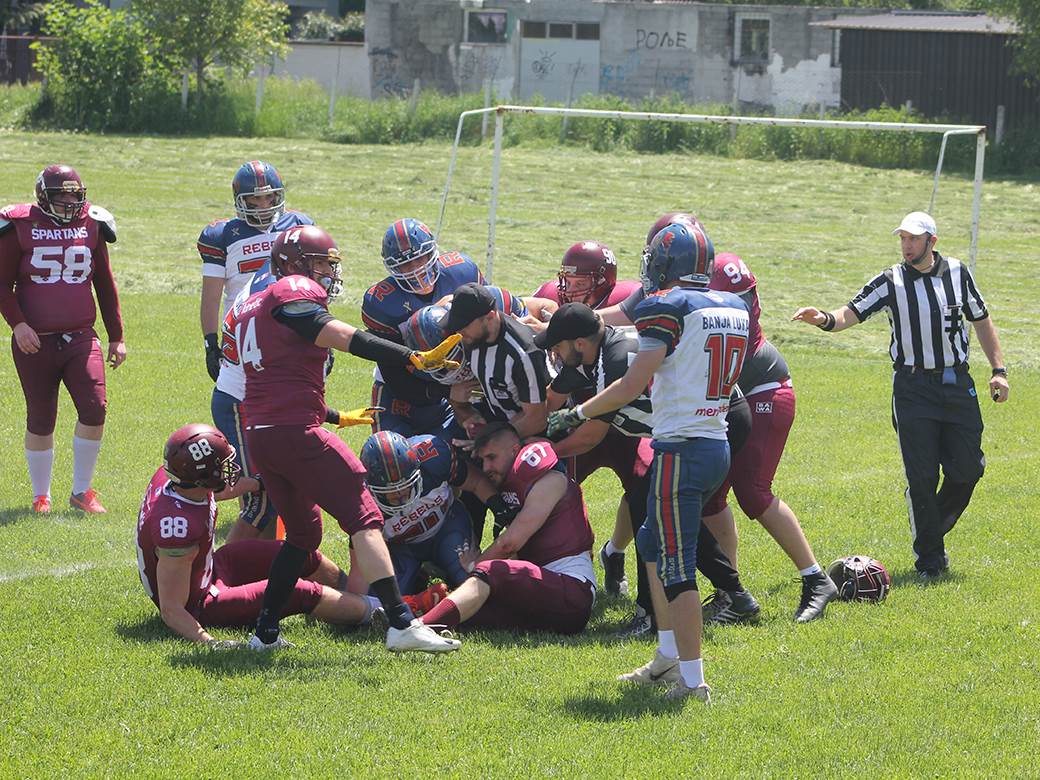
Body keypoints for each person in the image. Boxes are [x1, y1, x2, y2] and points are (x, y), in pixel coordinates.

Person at [223, 223, 463, 652]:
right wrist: (410, 356)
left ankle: (264, 633)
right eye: (320, 263)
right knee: (365, 518)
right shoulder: (290, 290)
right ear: (292, 264)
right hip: (297, 433)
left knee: (301, 535)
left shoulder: (249, 302)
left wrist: (335, 415)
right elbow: (342, 336)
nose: (327, 274)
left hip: (263, 432)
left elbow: (274, 379)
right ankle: (402, 624)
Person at [548, 222, 748, 703]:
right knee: (652, 543)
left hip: (682, 445)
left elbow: (635, 382)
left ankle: (693, 679)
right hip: (713, 438)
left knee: (677, 568)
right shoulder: (733, 305)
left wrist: (576, 411)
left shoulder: (667, 304)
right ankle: (665, 655)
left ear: (663, 264)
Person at [618, 213, 836, 622]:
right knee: (709, 496)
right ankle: (729, 592)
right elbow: (628, 315)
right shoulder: (685, 284)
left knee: (752, 490)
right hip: (727, 393)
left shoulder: (713, 282)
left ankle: (815, 578)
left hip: (760, 388)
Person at [793, 211, 1009, 579]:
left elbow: (981, 319)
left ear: (932, 242)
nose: (907, 245)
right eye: (903, 239)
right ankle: (930, 560)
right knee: (922, 476)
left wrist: (999, 371)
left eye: (914, 238)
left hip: (957, 384)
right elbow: (851, 312)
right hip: (912, 389)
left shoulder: (958, 273)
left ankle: (929, 529)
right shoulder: (890, 280)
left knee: (968, 469)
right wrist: (824, 319)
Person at [541, 303, 758, 638]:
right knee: (655, 508)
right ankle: (732, 595)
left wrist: (543, 453)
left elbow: (591, 436)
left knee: (657, 511)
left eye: (558, 345)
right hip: (699, 425)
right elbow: (548, 402)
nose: (555, 352)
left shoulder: (615, 358)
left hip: (713, 423)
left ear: (580, 343)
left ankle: (656, 616)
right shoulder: (596, 353)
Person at [137, 424, 380, 645]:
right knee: (296, 590)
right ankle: (381, 612)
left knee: (296, 554)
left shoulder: (181, 482)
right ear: (205, 478)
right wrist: (210, 642)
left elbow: (213, 491)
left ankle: (358, 598)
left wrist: (259, 483)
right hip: (203, 602)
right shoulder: (177, 529)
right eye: (222, 467)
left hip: (210, 568)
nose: (230, 470)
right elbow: (172, 609)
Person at [197, 160, 314, 542]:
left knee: (277, 468)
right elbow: (212, 294)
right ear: (239, 201)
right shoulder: (223, 235)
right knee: (265, 477)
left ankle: (269, 540)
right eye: (255, 199)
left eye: (269, 198)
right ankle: (206, 500)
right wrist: (209, 341)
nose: (263, 206)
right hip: (244, 343)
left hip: (285, 340)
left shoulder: (297, 225)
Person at [0, 164, 125, 514]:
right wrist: (18, 324)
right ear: (43, 196)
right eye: (61, 196)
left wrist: (117, 336)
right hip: (33, 340)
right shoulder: (19, 225)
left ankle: (81, 491)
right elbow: (2, 285)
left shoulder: (93, 224)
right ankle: (42, 495)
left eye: (75, 195)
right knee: (41, 417)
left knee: (94, 407)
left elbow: (105, 284)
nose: (70, 202)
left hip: (81, 336)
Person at [532, 240, 643, 596]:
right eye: (568, 281)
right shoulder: (558, 304)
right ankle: (549, 566)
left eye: (581, 283)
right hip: (580, 413)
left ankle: (618, 556)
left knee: (643, 487)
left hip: (624, 421)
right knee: (552, 488)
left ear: (605, 281)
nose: (570, 290)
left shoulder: (626, 311)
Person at [419, 423, 596, 635]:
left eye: (491, 457)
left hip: (572, 592)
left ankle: (419, 629)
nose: (486, 468)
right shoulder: (515, 485)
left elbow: (509, 544)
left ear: (514, 450)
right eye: (483, 460)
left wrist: (476, 565)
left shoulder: (550, 479)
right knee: (471, 613)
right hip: (542, 595)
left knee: (493, 570)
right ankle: (409, 613)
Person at [361, 218, 485, 439]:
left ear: (433, 252)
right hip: (402, 391)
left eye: (420, 259)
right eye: (405, 265)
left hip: (460, 378)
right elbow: (394, 373)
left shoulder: (462, 272)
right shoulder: (381, 304)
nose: (415, 270)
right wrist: (446, 392)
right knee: (391, 457)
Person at [355, 430, 518, 595]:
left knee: (469, 579)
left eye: (405, 485)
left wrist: (498, 506)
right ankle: (419, 576)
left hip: (447, 527)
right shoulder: (360, 501)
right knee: (382, 598)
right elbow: (361, 557)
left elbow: (475, 482)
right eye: (391, 490)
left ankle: (438, 568)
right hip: (402, 548)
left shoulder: (432, 456)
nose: (400, 494)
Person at [440, 282, 550, 440]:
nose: (459, 332)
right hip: (496, 420)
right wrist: (467, 414)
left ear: (490, 317)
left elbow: (536, 420)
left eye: (464, 326)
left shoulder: (523, 355)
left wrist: (488, 443)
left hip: (531, 435)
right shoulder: (472, 337)